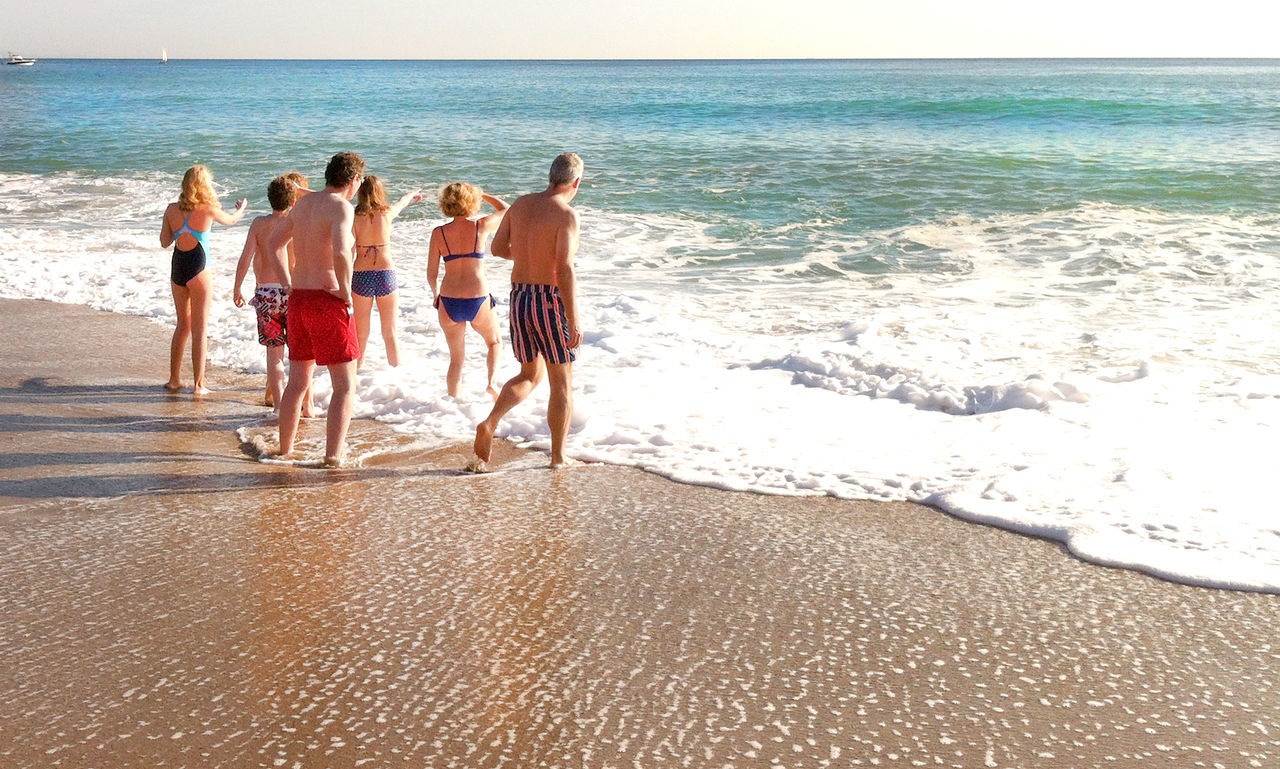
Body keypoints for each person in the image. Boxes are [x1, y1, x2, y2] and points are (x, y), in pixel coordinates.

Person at [472, 153, 583, 470]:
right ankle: (559, 458)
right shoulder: (566, 215)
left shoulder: (521, 204)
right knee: (561, 382)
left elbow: (497, 249)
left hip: (519, 297)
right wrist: (573, 319)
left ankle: (491, 421)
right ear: (576, 182)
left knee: (529, 374)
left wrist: (529, 255)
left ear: (551, 177)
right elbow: (564, 270)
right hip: (548, 300)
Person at [268, 152, 366, 467]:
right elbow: (340, 250)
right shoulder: (341, 207)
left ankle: (285, 451)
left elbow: (274, 245)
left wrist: (287, 284)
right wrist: (346, 292)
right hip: (328, 300)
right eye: (359, 182)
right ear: (354, 180)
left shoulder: (304, 204)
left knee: (298, 382)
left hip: (299, 299)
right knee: (345, 385)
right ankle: (333, 456)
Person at [159, 165, 247, 394]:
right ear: (204, 185)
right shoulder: (208, 209)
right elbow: (231, 220)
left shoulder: (170, 210)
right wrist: (242, 208)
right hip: (200, 270)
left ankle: (173, 379)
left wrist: (177, 226)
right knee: (200, 329)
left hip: (178, 269)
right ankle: (199, 385)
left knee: (182, 325)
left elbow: (164, 242)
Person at [427, 182, 509, 398]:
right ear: (471, 202)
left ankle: (452, 402)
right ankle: (491, 384)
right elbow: (507, 210)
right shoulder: (480, 227)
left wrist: (436, 296)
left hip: (449, 300)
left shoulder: (439, 233)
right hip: (477, 298)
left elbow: (431, 273)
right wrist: (484, 194)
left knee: (456, 360)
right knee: (494, 343)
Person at [232, 176, 295, 410]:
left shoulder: (259, 224)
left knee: (274, 352)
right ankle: (301, 404)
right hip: (292, 291)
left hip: (266, 294)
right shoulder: (295, 223)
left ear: (270, 200)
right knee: (298, 355)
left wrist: (237, 286)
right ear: (292, 202)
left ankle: (280, 407)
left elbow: (245, 258)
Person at [351, 176, 421, 367]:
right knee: (390, 333)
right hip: (385, 274)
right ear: (380, 192)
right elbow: (402, 203)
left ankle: (356, 377)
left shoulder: (354, 217)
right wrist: (412, 194)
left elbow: (348, 252)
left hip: (361, 275)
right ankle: (395, 374)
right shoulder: (387, 213)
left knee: (361, 333)